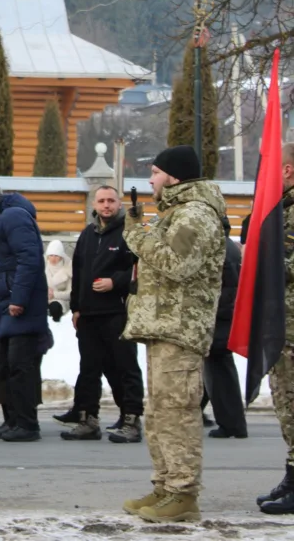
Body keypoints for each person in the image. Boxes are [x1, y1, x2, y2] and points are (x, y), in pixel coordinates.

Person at [120, 145, 226, 523]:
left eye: (155, 172)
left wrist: (135, 234)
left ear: (174, 176)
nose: (150, 180)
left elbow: (177, 263)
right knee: (159, 412)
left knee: (177, 412)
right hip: (163, 326)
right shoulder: (176, 212)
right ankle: (165, 485)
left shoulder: (196, 213)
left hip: (181, 328)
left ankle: (183, 494)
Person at [62, 186, 144, 443]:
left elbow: (141, 270)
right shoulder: (88, 234)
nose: (106, 205)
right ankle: (88, 420)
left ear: (119, 204)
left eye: (111, 200)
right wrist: (76, 307)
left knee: (126, 367)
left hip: (117, 312)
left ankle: (131, 420)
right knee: (89, 369)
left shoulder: (129, 232)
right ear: (94, 205)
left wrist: (115, 282)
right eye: (101, 201)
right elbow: (78, 273)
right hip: (89, 314)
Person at [0, 180, 49, 443]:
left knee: (20, 366)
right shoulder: (1, 219)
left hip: (21, 308)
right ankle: (13, 421)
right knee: (5, 364)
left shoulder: (14, 216)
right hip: (6, 306)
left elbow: (29, 259)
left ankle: (27, 424)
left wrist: (18, 299)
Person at [258, 142, 294, 514]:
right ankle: (292, 474)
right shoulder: (283, 209)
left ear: (287, 170)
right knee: (286, 405)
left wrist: (266, 260)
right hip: (282, 324)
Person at [203, 228, 247, 440]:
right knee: (217, 370)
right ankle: (231, 423)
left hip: (219, 317)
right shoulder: (227, 245)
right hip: (223, 315)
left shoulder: (219, 247)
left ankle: (231, 424)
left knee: (219, 372)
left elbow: (224, 288)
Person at [45, 240, 71, 323]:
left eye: (56, 255)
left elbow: (71, 293)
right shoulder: (43, 267)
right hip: (44, 298)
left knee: (55, 308)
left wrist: (54, 294)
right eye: (51, 255)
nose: (53, 258)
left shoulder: (68, 269)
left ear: (61, 256)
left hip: (61, 300)